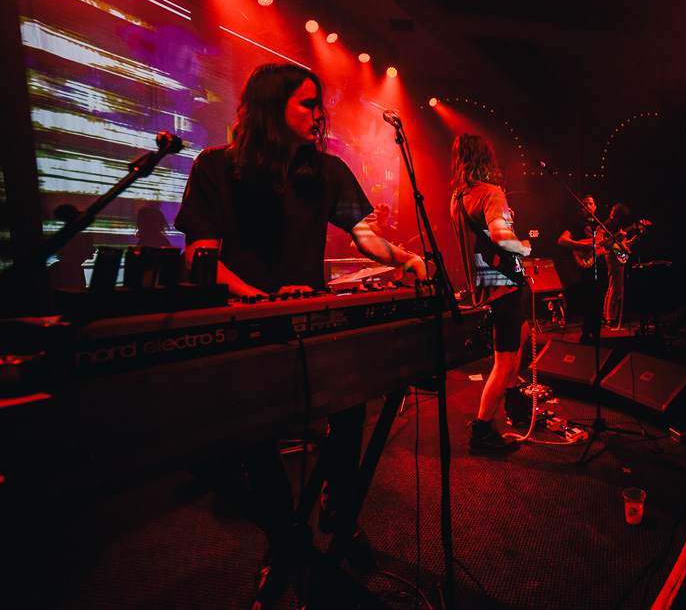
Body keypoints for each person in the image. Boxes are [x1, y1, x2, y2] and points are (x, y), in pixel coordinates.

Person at [174, 63, 425, 594]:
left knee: (350, 407)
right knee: (258, 438)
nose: (319, 114)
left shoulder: (325, 171)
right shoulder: (215, 168)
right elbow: (201, 256)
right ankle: (286, 536)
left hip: (313, 323)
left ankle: (337, 510)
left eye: (319, 104)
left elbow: (364, 233)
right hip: (245, 325)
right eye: (307, 104)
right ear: (271, 107)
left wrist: (404, 258)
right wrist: (262, 301)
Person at [449, 133, 532, 452]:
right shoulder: (491, 192)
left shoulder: (457, 197)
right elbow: (499, 235)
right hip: (502, 286)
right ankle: (482, 432)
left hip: (483, 285)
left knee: (521, 332)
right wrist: (523, 248)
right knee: (503, 360)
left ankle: (513, 400)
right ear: (487, 158)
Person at [558, 195, 606, 343]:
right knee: (592, 300)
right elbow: (562, 240)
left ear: (595, 206)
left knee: (600, 300)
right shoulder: (576, 225)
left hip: (600, 264)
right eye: (584, 204)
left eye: (590, 204)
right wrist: (582, 245)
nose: (588, 206)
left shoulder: (600, 225)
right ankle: (586, 334)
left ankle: (595, 333)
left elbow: (603, 246)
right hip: (587, 267)